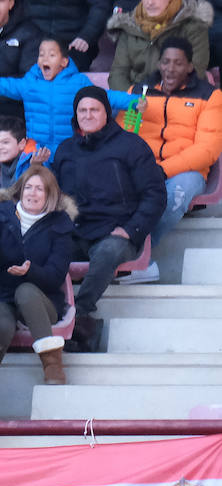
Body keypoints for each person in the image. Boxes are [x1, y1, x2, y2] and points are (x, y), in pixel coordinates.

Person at [51, 85, 167, 348]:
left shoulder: (131, 146)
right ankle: (47, 314)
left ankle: (79, 313)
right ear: (75, 114)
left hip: (116, 231)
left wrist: (131, 229)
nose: (88, 115)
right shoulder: (65, 150)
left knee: (107, 252)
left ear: (107, 113)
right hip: (75, 231)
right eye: (82, 110)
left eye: (94, 109)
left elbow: (155, 194)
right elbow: (54, 196)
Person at [0, 164, 74, 381]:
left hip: (41, 298)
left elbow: (55, 276)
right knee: (1, 326)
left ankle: (52, 366)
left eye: (40, 189)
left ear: (49, 194)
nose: (32, 193)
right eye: (28, 187)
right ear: (20, 190)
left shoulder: (61, 225)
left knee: (26, 291)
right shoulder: (1, 215)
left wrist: (30, 271)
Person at [120, 36, 222, 285]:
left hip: (185, 171)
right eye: (165, 62)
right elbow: (124, 137)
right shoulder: (138, 91)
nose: (170, 68)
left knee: (177, 191)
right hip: (142, 166)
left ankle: (137, 258)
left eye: (178, 63)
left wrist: (162, 171)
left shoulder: (210, 96)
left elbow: (206, 151)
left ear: (189, 66)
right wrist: (135, 114)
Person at [0, 38, 139, 157]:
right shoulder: (29, 83)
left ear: (64, 61)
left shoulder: (78, 83)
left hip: (70, 150)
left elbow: (106, 97)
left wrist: (133, 102)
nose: (44, 59)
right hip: (36, 152)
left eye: (51, 55)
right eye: (41, 54)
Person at [22, 0, 114, 72]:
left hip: (73, 42)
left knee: (63, 73)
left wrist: (86, 36)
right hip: (34, 39)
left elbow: (100, 6)